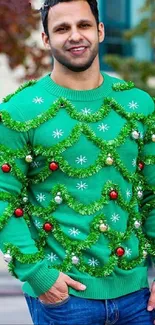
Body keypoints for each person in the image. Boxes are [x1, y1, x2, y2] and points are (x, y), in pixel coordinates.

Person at [0, 0, 155, 324]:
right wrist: (39, 276)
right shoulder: (20, 111)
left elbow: (151, 196)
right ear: (45, 38)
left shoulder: (138, 105)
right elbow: (3, 198)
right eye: (61, 28)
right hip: (64, 301)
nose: (75, 35)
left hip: (138, 298)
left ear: (99, 30)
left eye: (83, 25)